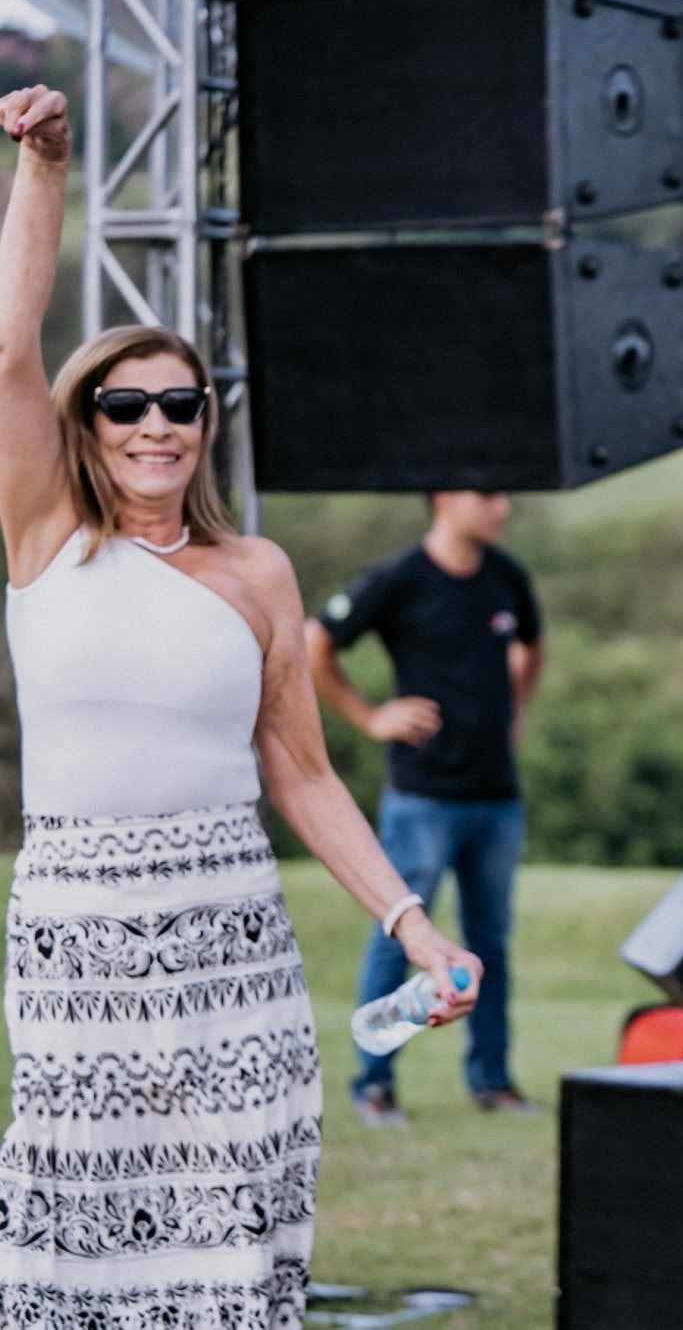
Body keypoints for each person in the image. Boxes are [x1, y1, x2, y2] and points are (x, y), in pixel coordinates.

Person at [0, 85, 480, 1322]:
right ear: (86, 422)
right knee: (92, 1212)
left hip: (229, 922)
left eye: (181, 403)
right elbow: (8, 349)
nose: (155, 425)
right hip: (81, 924)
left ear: (207, 420)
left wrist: (412, 924)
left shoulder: (258, 571)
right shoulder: (44, 535)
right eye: (125, 405)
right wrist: (46, 168)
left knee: (229, 1206)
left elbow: (305, 774)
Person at [306, 492, 545, 1124]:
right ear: (444, 498)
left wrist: (515, 709)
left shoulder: (506, 575)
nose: (503, 508)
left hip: (496, 797)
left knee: (490, 942)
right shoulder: (400, 577)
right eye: (487, 495)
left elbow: (533, 644)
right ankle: (374, 1085)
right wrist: (370, 717)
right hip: (422, 798)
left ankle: (493, 1081)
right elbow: (315, 641)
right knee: (399, 934)